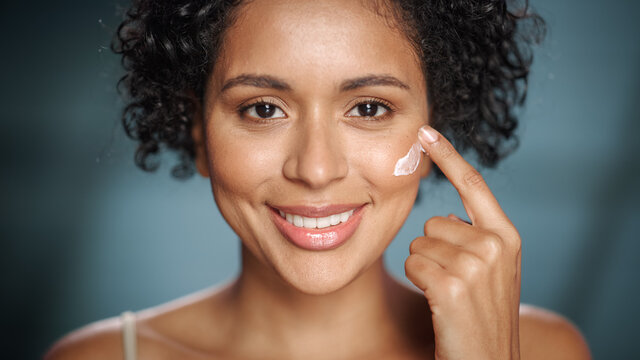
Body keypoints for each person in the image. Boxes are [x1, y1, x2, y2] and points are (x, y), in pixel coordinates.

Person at [45, 0, 591, 359]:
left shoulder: (541, 350)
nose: (315, 169)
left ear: (435, 130)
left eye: (370, 108)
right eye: (263, 110)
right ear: (196, 130)